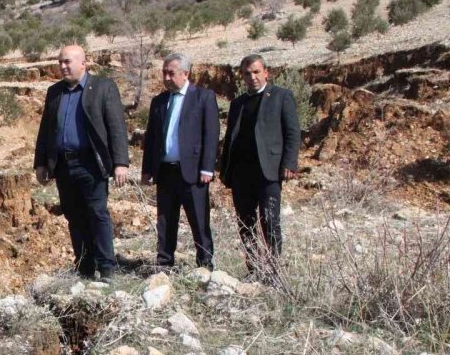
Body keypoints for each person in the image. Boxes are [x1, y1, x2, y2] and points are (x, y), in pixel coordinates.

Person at [34, 44, 129, 281]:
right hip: (64, 166)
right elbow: (46, 129)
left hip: (91, 164)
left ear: (83, 63)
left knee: (97, 214)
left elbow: (116, 126)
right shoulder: (54, 92)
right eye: (60, 62)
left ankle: (107, 267)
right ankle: (85, 266)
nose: (63, 67)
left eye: (67, 62)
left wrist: (120, 163)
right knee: (74, 216)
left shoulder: (103, 87)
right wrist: (41, 162)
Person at [220, 53, 300, 276]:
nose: (252, 77)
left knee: (270, 220)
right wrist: (224, 170)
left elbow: (292, 132)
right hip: (241, 174)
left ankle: (274, 271)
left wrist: (290, 163)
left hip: (269, 171)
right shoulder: (238, 104)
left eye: (256, 72)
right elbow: (230, 139)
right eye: (247, 73)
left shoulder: (281, 96)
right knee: (246, 224)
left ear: (266, 72)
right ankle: (254, 269)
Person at [141, 53, 219, 270]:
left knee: (199, 219)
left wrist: (207, 167)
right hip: (165, 171)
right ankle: (164, 263)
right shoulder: (159, 101)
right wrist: (147, 169)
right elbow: (152, 137)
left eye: (171, 73)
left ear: (186, 74)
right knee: (165, 220)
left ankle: (205, 264)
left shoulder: (203, 97)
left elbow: (211, 134)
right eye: (164, 72)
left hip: (193, 172)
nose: (166, 77)